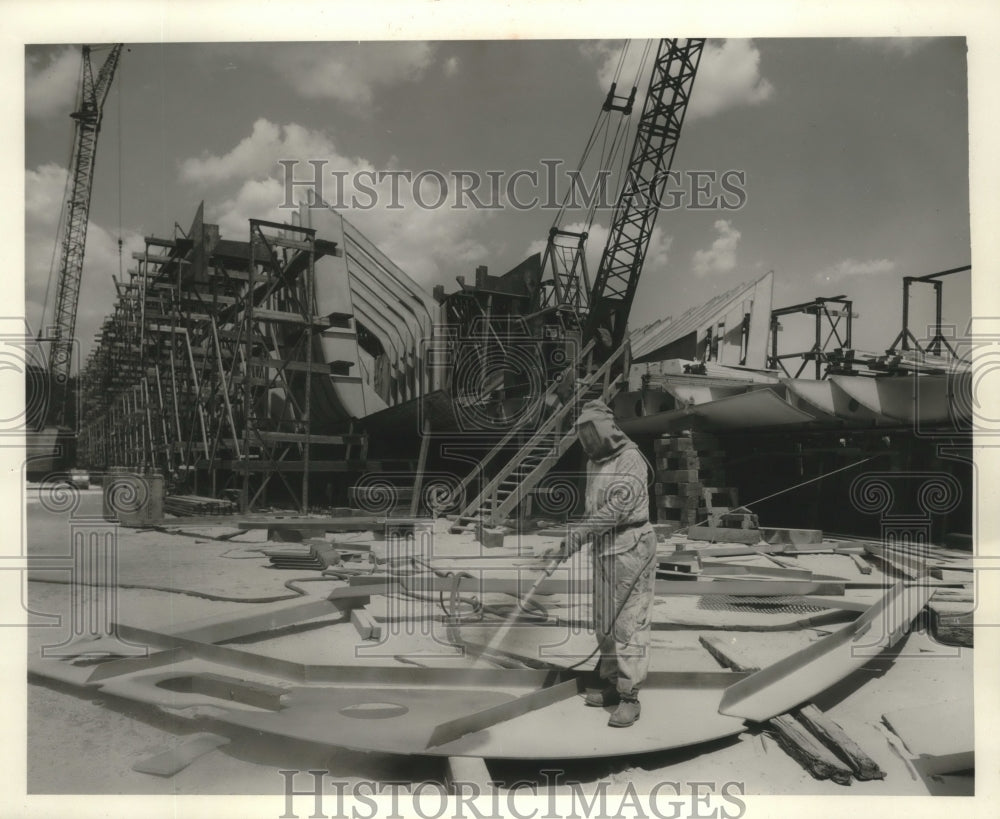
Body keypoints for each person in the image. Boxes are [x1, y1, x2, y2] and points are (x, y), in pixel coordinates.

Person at [545, 398, 656, 728]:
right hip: (606, 548)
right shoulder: (596, 462)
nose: (587, 441)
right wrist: (568, 541)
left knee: (628, 624)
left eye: (591, 433)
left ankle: (630, 696)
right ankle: (611, 683)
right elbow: (593, 512)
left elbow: (615, 511)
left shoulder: (631, 458)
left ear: (606, 430)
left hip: (632, 545)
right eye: (583, 435)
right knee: (604, 622)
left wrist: (577, 537)